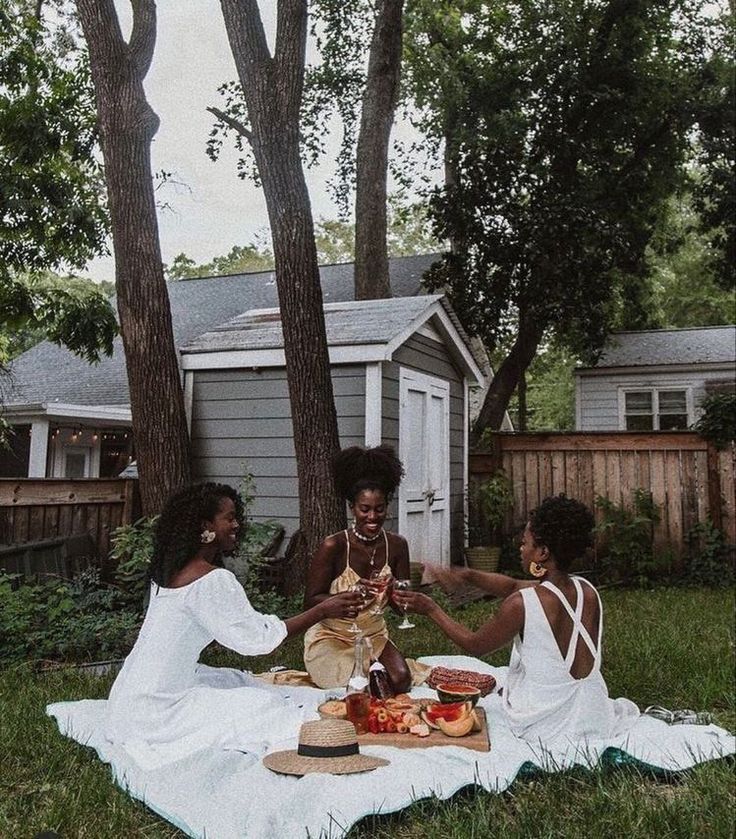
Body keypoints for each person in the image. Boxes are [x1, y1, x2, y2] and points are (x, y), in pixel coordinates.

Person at [104, 482, 361, 767]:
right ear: (206, 526)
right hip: (157, 713)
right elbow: (258, 641)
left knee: (231, 680)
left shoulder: (168, 571)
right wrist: (323, 610)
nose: (237, 524)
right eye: (229, 518)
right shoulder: (211, 580)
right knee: (265, 706)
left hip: (127, 701)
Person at [394, 494, 640, 743]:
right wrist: (466, 575)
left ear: (542, 552)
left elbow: (474, 645)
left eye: (525, 543)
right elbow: (512, 585)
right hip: (594, 714)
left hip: (551, 722)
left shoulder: (522, 604)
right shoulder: (587, 590)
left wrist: (431, 609)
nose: (521, 549)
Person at [303, 445, 431, 692]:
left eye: (379, 509)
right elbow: (310, 602)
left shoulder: (397, 546)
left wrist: (396, 593)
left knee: (401, 681)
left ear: (387, 506)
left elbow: (398, 608)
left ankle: (375, 665)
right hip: (333, 637)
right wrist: (348, 596)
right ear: (352, 507)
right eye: (365, 509)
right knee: (363, 686)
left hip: (374, 636)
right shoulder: (334, 545)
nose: (372, 517)